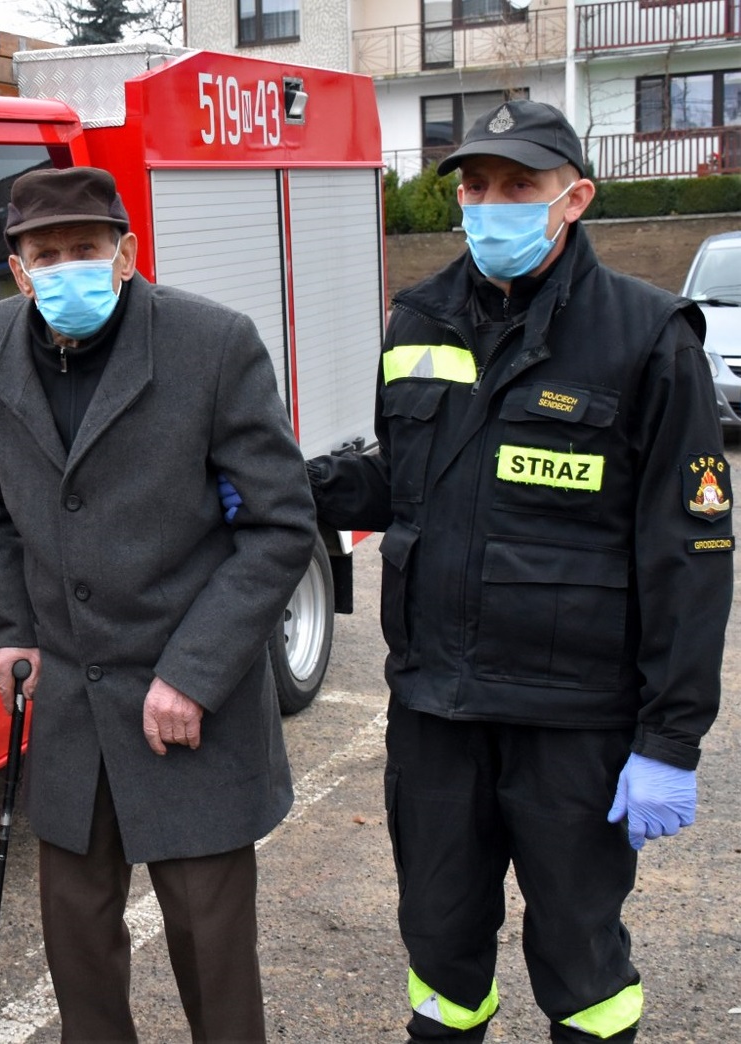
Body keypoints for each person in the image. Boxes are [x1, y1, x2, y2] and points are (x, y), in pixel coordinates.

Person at [306, 100, 732, 1042]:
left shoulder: (646, 334)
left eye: (517, 185)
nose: (489, 203)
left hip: (570, 720)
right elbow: (407, 481)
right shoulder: (418, 317)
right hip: (437, 710)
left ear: (573, 198)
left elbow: (688, 553)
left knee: (582, 959)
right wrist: (291, 488)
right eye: (474, 185)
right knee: (438, 945)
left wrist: (669, 738)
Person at [0, 165, 316, 1042]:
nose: (66, 268)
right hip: (72, 703)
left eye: (85, 248)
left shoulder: (212, 342)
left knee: (210, 950)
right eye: (46, 255)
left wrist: (193, 674)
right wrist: (10, 628)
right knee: (76, 946)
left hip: (189, 704)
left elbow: (278, 524)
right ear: (18, 270)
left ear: (124, 254)